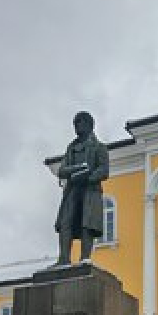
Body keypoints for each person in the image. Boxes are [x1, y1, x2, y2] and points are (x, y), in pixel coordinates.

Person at [54, 110, 111, 266]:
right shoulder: (71, 148)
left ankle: (85, 258)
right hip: (72, 190)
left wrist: (88, 177)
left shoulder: (99, 147)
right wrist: (77, 170)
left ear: (89, 125)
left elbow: (104, 170)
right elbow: (61, 170)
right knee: (66, 222)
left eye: (80, 122)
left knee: (87, 222)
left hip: (90, 190)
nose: (77, 126)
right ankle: (63, 259)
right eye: (75, 123)